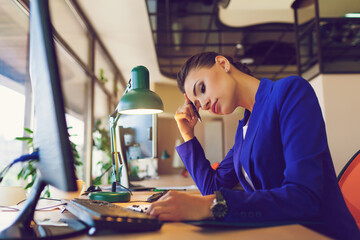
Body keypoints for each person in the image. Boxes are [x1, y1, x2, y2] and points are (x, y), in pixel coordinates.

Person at [146, 52, 360, 239]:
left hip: (321, 234)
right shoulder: (243, 132)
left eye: (202, 88)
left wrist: (210, 206)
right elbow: (212, 188)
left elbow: (304, 196)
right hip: (278, 233)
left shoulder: (289, 92)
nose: (205, 105)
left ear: (223, 63)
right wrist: (187, 135)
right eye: (198, 106)